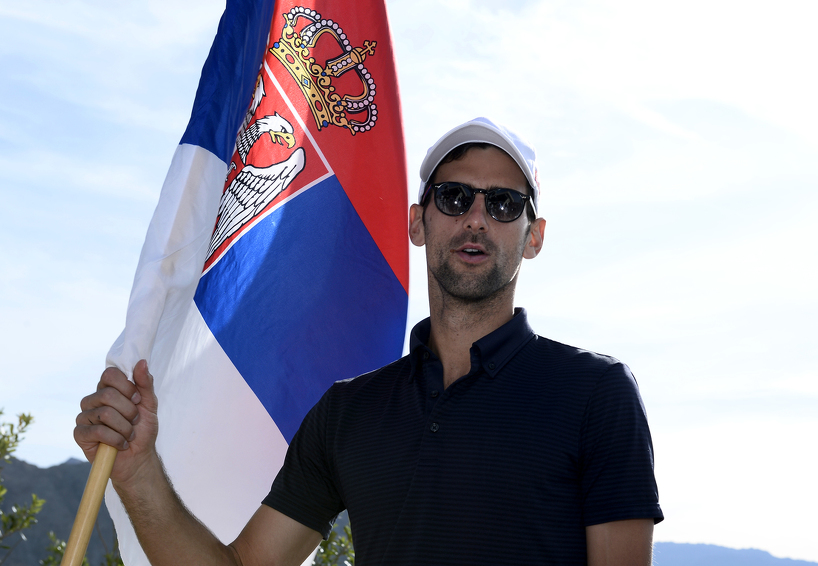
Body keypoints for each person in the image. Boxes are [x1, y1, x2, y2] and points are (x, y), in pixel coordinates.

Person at [75, 117, 663, 566]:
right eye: (455, 197)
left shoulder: (596, 396)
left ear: (533, 237)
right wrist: (138, 471)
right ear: (417, 221)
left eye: (504, 204)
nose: (477, 219)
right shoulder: (347, 414)